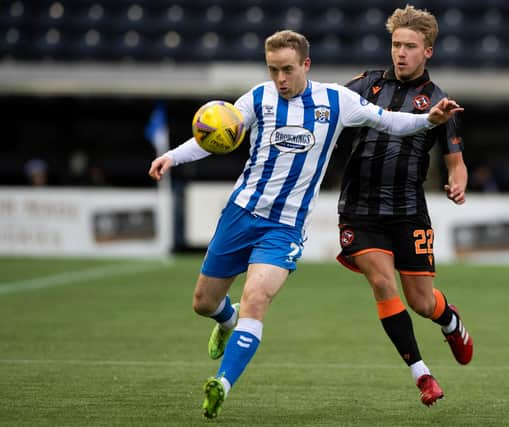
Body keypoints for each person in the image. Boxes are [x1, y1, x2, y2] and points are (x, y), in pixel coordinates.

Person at [148, 29, 463, 419]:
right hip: (240, 214)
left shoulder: (335, 101)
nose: (280, 79)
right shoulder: (257, 98)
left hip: (285, 228)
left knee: (257, 299)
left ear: (305, 65)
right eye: (273, 70)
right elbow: (214, 135)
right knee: (203, 304)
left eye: (287, 70)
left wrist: (427, 119)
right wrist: (172, 158)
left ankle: (222, 384)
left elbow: (390, 121)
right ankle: (225, 320)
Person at [335, 5, 474, 407]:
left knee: (421, 302)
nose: (401, 53)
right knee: (381, 283)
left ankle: (449, 319)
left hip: (408, 210)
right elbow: (325, 108)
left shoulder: (438, 101)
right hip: (359, 208)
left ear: (427, 51)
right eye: (396, 44)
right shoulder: (365, 85)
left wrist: (457, 185)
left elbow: (456, 162)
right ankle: (423, 375)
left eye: (410, 46)